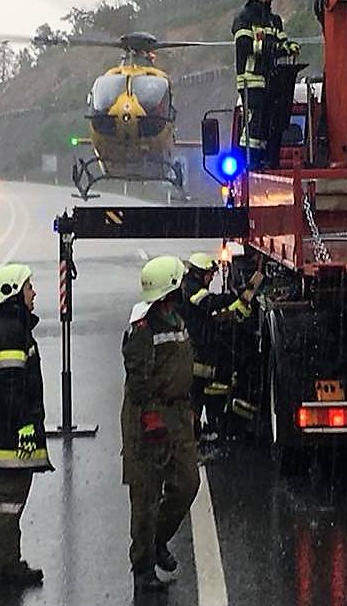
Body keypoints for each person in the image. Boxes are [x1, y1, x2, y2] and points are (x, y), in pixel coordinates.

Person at [121, 256, 200, 593]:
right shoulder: (143, 328)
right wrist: (151, 418)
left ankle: (157, 541)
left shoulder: (175, 318)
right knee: (146, 495)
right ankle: (142, 566)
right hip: (147, 417)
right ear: (170, 287)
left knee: (187, 483)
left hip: (177, 414)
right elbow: (138, 381)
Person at [0, 263, 54, 585]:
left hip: (0, 434)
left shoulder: (6, 328)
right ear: (13, 293)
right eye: (29, 287)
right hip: (9, 436)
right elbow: (10, 389)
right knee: (9, 498)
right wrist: (25, 429)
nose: (34, 293)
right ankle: (5, 565)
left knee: (1, 499)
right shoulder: (9, 333)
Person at [181, 252, 262, 454]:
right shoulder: (191, 288)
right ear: (200, 273)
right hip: (199, 350)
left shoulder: (190, 285)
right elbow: (209, 303)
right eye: (210, 274)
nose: (211, 278)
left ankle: (203, 431)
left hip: (201, 349)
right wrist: (234, 297)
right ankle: (199, 434)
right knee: (201, 392)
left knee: (202, 392)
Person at [232, 0, 300, 169]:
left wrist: (289, 47)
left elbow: (282, 42)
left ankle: (264, 160)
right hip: (251, 80)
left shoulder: (274, 20)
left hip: (271, 80)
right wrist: (270, 48)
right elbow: (244, 45)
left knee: (268, 122)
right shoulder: (244, 17)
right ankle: (250, 162)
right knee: (254, 122)